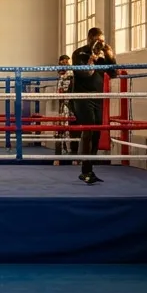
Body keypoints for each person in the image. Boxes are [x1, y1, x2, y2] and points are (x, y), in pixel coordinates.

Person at [70, 27, 117, 185]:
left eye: (102, 41)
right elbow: (86, 74)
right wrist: (93, 58)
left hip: (97, 97)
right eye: (97, 40)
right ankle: (85, 170)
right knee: (88, 129)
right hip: (82, 97)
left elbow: (113, 74)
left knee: (97, 132)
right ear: (90, 39)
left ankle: (89, 169)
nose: (100, 43)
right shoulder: (79, 53)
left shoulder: (102, 55)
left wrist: (110, 57)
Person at [53, 54, 77, 165]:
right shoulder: (60, 76)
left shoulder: (71, 74)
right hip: (62, 106)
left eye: (66, 63)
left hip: (71, 105)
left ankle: (74, 157)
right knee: (59, 130)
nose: (63, 65)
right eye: (61, 63)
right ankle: (58, 157)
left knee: (73, 130)